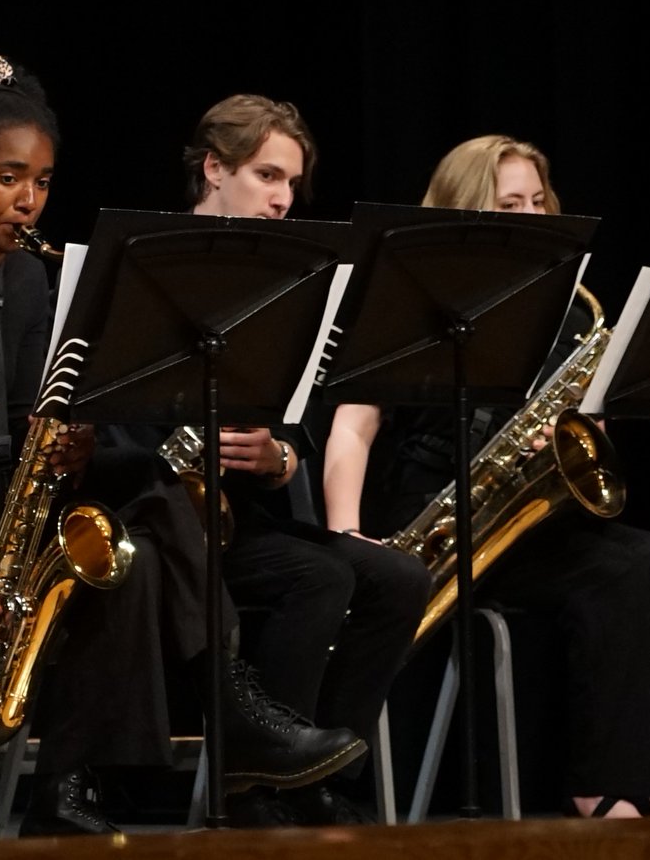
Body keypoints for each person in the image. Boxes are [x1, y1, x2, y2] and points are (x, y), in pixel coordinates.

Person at [0, 44, 361, 837]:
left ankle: (65, 795)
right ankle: (231, 707)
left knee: (120, 555)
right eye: (7, 179)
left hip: (1, 493)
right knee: (152, 495)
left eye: (42, 182)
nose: (27, 201)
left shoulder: (30, 280)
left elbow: (44, 410)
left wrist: (75, 445)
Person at [323, 134, 650, 818]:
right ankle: (601, 790)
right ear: (464, 211)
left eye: (540, 201)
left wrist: (577, 435)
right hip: (437, 514)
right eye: (511, 202)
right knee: (613, 575)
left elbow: (587, 438)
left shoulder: (572, 313)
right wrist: (346, 534)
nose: (534, 217)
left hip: (527, 519)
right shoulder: (411, 302)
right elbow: (353, 423)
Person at [161, 94, 431, 824]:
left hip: (244, 515)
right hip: (162, 521)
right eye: (266, 176)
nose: (283, 200)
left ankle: (316, 775)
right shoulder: (151, 266)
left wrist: (279, 456)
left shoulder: (292, 278)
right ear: (213, 168)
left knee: (402, 579)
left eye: (291, 184)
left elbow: (302, 421)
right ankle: (258, 787)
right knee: (318, 575)